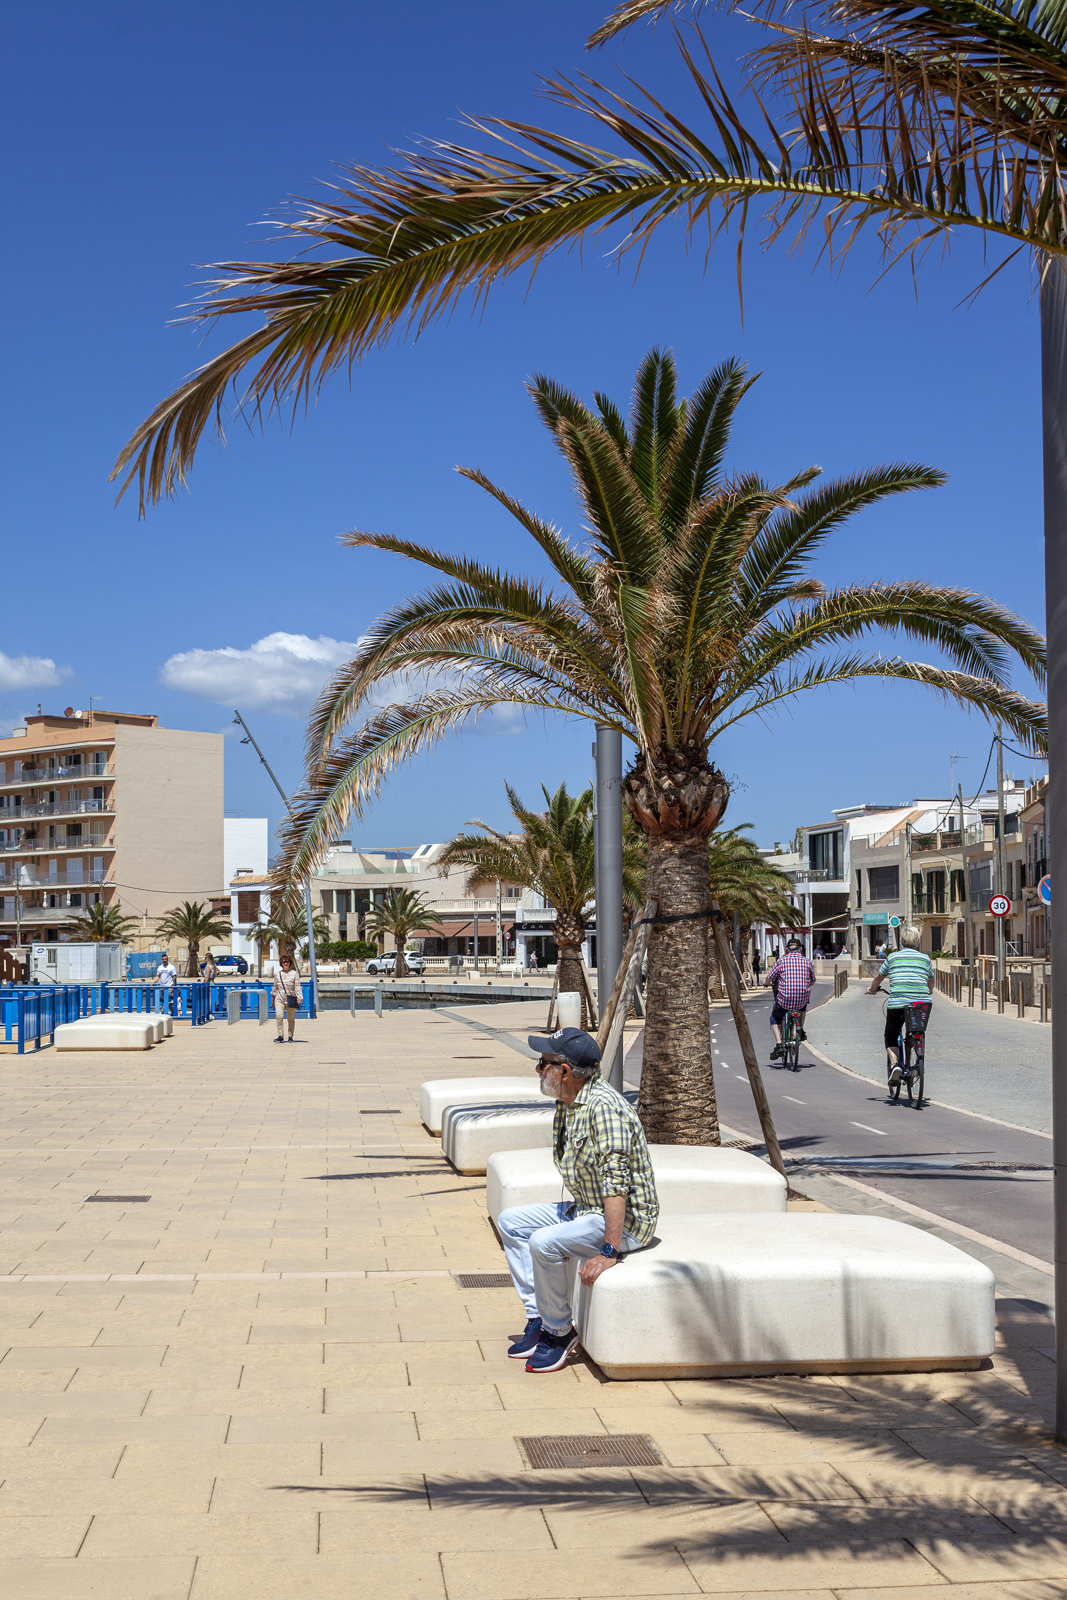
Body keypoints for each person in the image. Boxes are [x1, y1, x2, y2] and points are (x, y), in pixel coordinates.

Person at [497, 1026, 659, 1374]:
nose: (538, 1070)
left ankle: (559, 1332)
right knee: (511, 1221)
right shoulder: (570, 1102)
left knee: (544, 1242)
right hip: (585, 1209)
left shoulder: (604, 1109)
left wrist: (609, 1251)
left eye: (544, 1063)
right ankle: (539, 1317)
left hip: (623, 1221)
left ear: (565, 1072)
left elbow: (617, 1185)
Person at [866, 925, 933, 1085]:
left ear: (902, 942)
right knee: (918, 1030)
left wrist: (872, 990)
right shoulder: (925, 959)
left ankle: (895, 1064)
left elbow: (878, 977)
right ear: (917, 942)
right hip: (921, 1004)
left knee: (890, 1035)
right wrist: (928, 992)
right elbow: (931, 981)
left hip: (897, 1003)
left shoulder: (893, 958)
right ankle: (919, 1054)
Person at [763, 937, 815, 1059]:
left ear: (787, 949)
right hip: (801, 998)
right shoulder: (807, 962)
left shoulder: (781, 961)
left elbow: (770, 977)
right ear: (800, 949)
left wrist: (766, 983)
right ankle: (800, 1030)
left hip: (785, 999)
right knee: (802, 1008)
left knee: (774, 1018)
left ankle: (779, 1045)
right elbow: (813, 980)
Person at [272, 953, 303, 1044]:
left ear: (290, 963)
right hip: (280, 999)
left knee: (291, 1018)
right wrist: (272, 998)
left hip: (291, 999)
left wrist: (300, 997)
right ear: (281, 963)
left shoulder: (294, 974)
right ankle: (280, 1035)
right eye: (284, 962)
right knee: (279, 1016)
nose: (285, 963)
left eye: (287, 961)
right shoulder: (277, 974)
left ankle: (290, 1036)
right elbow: (274, 987)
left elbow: (297, 986)